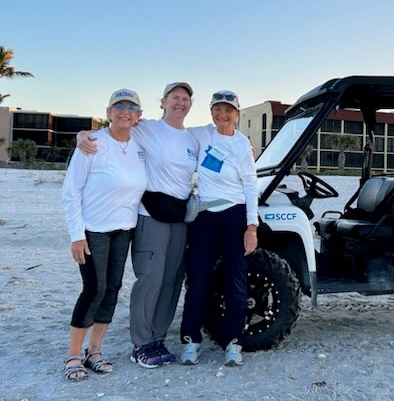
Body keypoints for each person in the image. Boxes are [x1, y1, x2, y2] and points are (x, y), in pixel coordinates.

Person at [77, 82, 198, 368]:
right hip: (150, 215)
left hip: (179, 218)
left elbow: (222, 142)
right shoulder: (147, 128)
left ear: (190, 105)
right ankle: (141, 343)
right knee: (151, 279)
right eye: (174, 98)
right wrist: (81, 134)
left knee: (171, 281)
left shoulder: (194, 138)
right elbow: (110, 131)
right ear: (163, 102)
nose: (180, 102)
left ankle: (157, 338)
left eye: (185, 98)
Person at [61, 89, 147, 381]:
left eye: (131, 107)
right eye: (119, 106)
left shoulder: (140, 145)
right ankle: (73, 354)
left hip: (124, 229)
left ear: (139, 115)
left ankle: (94, 350)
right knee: (93, 289)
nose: (125, 111)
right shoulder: (93, 143)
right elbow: (70, 191)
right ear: (109, 112)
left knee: (112, 288)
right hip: (92, 230)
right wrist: (76, 235)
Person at [179, 90, 259, 367]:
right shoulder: (201, 134)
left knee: (235, 279)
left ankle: (233, 342)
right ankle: (191, 340)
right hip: (204, 216)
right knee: (198, 280)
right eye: (217, 109)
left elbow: (250, 186)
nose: (222, 115)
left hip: (234, 215)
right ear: (211, 111)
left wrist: (251, 226)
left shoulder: (242, 145)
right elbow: (169, 131)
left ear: (237, 113)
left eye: (228, 110)